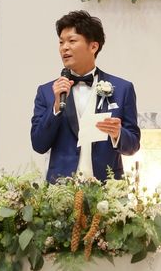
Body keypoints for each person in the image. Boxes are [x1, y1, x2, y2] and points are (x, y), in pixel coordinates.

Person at [31, 10, 140, 182]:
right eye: (61, 42)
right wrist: (56, 108)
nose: (64, 47)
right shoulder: (47, 92)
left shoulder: (122, 89)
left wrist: (117, 134)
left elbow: (133, 145)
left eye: (72, 41)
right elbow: (39, 144)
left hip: (107, 190)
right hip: (61, 191)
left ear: (93, 47)